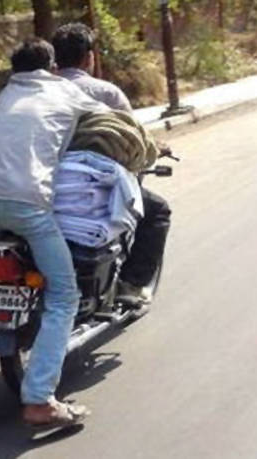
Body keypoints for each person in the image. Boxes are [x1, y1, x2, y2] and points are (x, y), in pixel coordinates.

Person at [0, 38, 108, 428]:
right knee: (63, 295)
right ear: (52, 68)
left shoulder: (5, 95)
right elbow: (112, 122)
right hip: (27, 203)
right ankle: (39, 400)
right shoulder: (65, 90)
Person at [52, 23, 172, 304]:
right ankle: (132, 285)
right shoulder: (106, 93)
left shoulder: (39, 94)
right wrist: (156, 149)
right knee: (157, 211)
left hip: (40, 183)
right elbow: (133, 138)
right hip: (92, 185)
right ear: (89, 58)